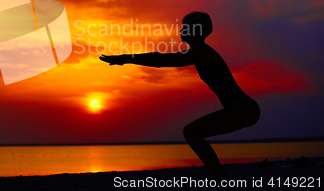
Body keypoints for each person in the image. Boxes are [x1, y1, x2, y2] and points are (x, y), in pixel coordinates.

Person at [99, 11, 260, 180]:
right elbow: (161, 60)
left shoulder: (202, 52)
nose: (181, 31)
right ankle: (219, 177)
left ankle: (220, 178)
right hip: (243, 108)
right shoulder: (199, 52)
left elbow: (161, 60)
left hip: (243, 108)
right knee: (193, 133)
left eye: (185, 28)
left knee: (192, 133)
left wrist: (126, 58)